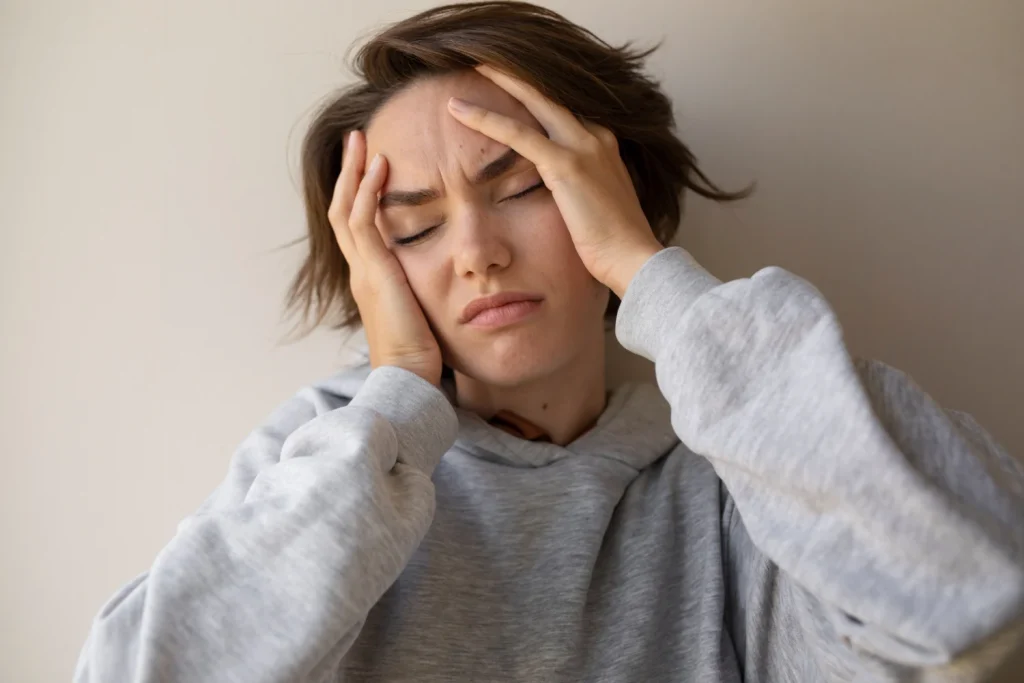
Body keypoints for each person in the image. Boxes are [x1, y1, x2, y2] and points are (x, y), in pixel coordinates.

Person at [75, 2, 1024, 681]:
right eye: (414, 227)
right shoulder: (328, 457)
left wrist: (653, 277)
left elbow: (974, 597)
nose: (477, 253)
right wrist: (397, 390)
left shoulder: (737, 473)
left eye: (523, 185)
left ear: (611, 192)